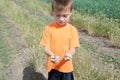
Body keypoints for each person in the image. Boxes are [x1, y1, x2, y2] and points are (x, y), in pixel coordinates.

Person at [40, 0, 80, 80]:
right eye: (58, 15)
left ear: (70, 13)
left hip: (66, 67)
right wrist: (52, 55)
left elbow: (73, 48)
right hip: (53, 66)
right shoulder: (48, 29)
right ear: (53, 13)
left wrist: (69, 54)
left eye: (65, 16)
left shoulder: (72, 30)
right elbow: (46, 48)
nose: (61, 19)